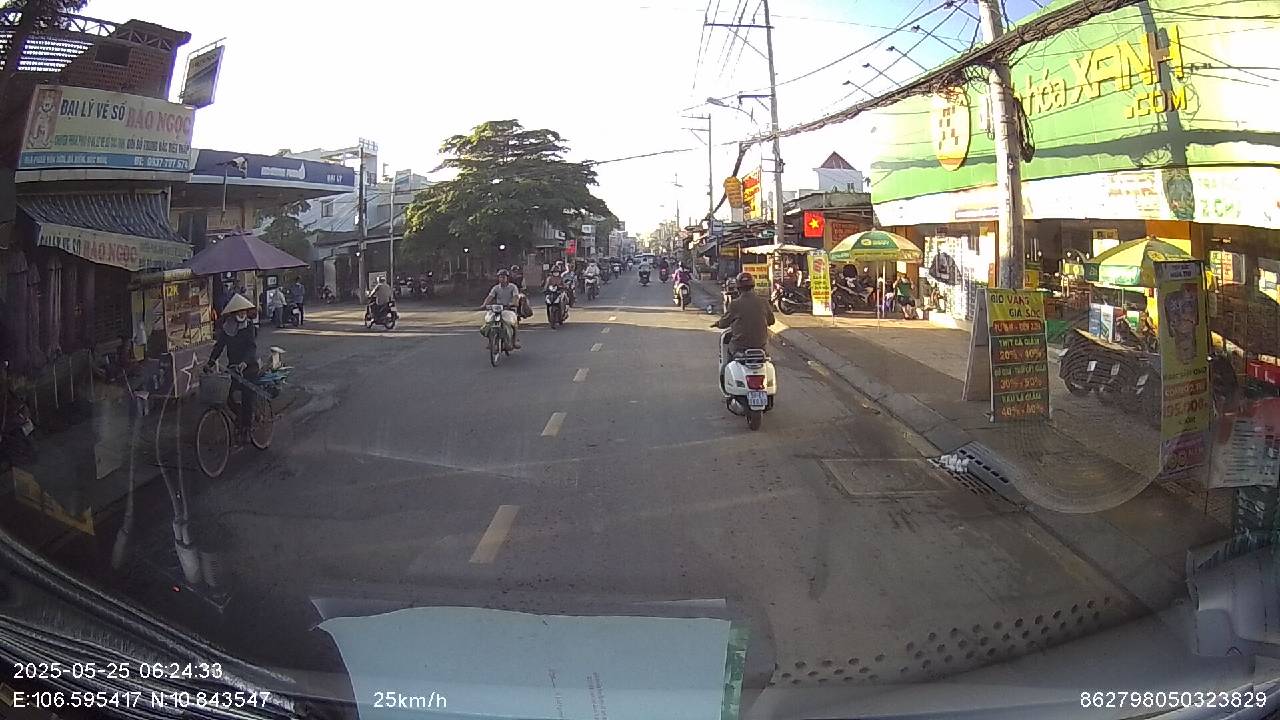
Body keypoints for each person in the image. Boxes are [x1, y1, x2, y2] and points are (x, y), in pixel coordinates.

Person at [204, 294, 260, 442]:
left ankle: (247, 428)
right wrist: (210, 363)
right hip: (233, 369)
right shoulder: (227, 329)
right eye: (239, 311)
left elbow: (251, 348)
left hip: (249, 368)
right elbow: (219, 347)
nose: (242, 314)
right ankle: (240, 417)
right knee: (227, 397)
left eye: (244, 311)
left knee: (247, 398)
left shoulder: (249, 327)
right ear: (233, 313)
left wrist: (245, 362)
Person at [712, 272, 775, 385]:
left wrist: (717, 323)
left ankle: (726, 379)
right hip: (761, 346)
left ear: (738, 288)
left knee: (728, 354)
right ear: (753, 286)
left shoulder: (735, 304)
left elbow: (723, 323)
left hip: (740, 347)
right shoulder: (763, 302)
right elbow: (771, 321)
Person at [481, 269, 522, 348]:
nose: (502, 279)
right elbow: (490, 297)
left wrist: (513, 303)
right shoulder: (496, 288)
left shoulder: (513, 287)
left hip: (509, 309)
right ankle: (491, 341)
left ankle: (514, 341)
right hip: (498, 309)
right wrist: (484, 305)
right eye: (500, 277)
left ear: (507, 278)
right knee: (489, 322)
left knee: (513, 324)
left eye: (503, 277)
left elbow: (515, 297)